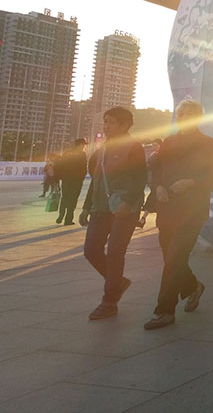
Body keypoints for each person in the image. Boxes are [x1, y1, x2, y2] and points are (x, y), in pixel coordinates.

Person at [143, 100, 213, 330]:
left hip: (192, 211)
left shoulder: (207, 143)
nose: (184, 116)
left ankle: (164, 311)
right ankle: (192, 287)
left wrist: (192, 182)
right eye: (181, 113)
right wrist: (158, 186)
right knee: (171, 258)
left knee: (175, 258)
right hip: (167, 208)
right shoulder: (169, 142)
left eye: (189, 113)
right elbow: (156, 171)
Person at [79, 107, 147, 321]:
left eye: (111, 122)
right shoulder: (102, 149)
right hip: (100, 208)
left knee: (116, 253)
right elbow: (96, 180)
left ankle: (109, 301)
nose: (106, 126)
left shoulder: (133, 147)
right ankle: (118, 282)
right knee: (91, 250)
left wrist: (128, 203)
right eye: (105, 121)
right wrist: (86, 207)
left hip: (123, 210)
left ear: (125, 125)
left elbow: (140, 179)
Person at [55, 138, 88, 225]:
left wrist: (58, 178)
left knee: (65, 197)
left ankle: (61, 215)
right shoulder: (82, 154)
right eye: (83, 145)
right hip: (76, 181)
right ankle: (68, 219)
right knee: (73, 199)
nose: (84, 146)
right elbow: (83, 168)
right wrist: (81, 178)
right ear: (80, 145)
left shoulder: (67, 153)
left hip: (66, 180)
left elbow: (59, 166)